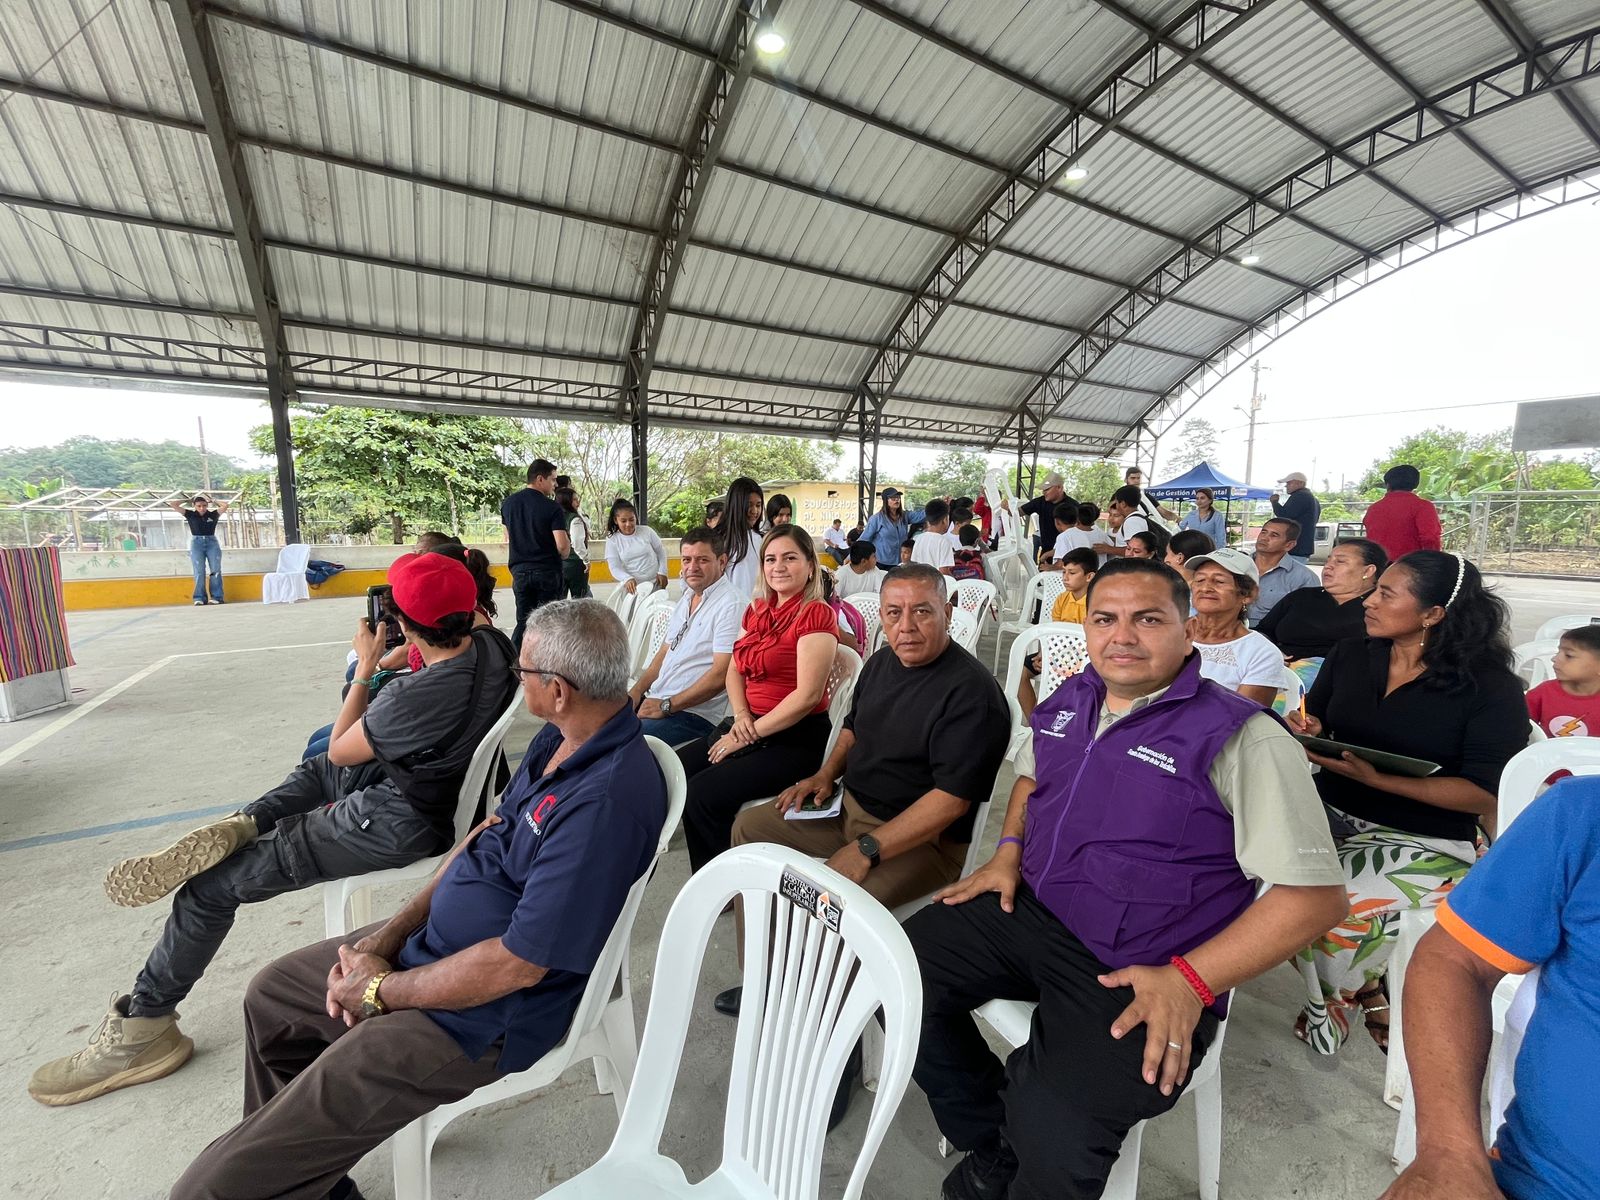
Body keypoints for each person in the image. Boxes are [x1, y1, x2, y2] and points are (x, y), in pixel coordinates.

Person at [149, 601, 668, 1199]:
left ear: (557, 690)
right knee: (273, 996)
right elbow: (482, 838)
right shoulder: (562, 735)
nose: (517, 678)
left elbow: (518, 965)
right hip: (428, 951)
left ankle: (263, 1176)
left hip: (480, 1016)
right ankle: (306, 1183)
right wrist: (385, 937)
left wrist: (379, 990)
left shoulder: (604, 803)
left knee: (207, 1190)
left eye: (524, 672)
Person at [909, 558, 1348, 1200]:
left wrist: (1192, 980)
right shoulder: (1073, 697)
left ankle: (1026, 1151)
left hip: (1150, 962)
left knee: (1057, 1123)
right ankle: (991, 1140)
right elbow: (1031, 778)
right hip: (1032, 908)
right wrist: (1007, 851)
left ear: (1188, 628)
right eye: (1105, 619)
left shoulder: (1242, 737)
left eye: (1148, 619)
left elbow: (1314, 898)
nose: (1122, 636)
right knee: (891, 973)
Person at [30, 554, 518, 1107]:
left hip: (389, 821)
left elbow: (343, 745)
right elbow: (346, 752)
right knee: (315, 772)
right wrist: (415, 641)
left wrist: (365, 667)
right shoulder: (494, 647)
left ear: (404, 623)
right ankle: (246, 824)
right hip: (428, 787)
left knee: (210, 888)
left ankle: (145, 1026)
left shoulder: (410, 698)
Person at [721, 564, 1009, 1018]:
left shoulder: (972, 693)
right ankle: (766, 978)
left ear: (948, 613)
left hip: (919, 842)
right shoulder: (881, 662)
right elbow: (853, 727)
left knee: (832, 904)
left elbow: (951, 801)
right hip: (846, 808)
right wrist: (825, 774)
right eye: (894, 613)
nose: (906, 626)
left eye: (922, 611)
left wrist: (867, 849)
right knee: (749, 829)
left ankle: (825, 1022)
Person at [1286, 551, 1528, 1054]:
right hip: (1329, 808)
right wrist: (1312, 728)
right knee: (1253, 879)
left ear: (1432, 613)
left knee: (1328, 908)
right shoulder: (1353, 654)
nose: (1368, 602)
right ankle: (1367, 983)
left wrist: (1380, 780)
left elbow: (1482, 791)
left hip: (1425, 833)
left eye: (1385, 594)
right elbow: (1322, 721)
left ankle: (1333, 1002)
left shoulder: (1489, 687)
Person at [1378, 774, 1600, 1200]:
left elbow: (1481, 794)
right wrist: (1449, 1154)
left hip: (1438, 846)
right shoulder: (1585, 811)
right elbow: (1454, 960)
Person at [679, 525, 839, 871]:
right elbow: (734, 669)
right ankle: (712, 877)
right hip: (749, 724)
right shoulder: (757, 610)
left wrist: (747, 734)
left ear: (810, 565)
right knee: (678, 772)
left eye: (789, 558)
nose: (778, 567)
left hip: (795, 737)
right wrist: (740, 718)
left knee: (703, 794)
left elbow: (807, 696)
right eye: (770, 559)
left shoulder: (816, 613)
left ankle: (724, 884)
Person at [629, 526, 744, 747]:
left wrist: (667, 706)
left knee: (622, 744)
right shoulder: (688, 598)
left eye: (702, 560)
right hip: (659, 699)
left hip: (693, 714)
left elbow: (721, 674)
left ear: (722, 561)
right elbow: (665, 651)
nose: (692, 567)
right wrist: (636, 692)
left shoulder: (731, 604)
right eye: (686, 560)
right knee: (590, 724)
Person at [1255, 537, 1387, 661]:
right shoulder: (1301, 596)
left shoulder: (1379, 606)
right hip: (1281, 667)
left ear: (1368, 571)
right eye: (1328, 560)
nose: (1328, 566)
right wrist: (1271, 652)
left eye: (1340, 561)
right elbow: (1263, 631)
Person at [1183, 548, 1283, 707]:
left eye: (1219, 581)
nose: (1205, 588)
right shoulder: (1171, 633)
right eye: (1200, 580)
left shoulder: (1262, 653)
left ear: (1248, 594)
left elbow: (1240, 715)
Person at [501, 459, 571, 650]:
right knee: (548, 624)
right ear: (540, 479)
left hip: (520, 572)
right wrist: (565, 554)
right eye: (553, 480)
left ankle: (515, 661)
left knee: (523, 622)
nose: (555, 484)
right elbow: (562, 545)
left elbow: (508, 537)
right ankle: (547, 663)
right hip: (547, 572)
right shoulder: (552, 507)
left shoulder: (508, 504)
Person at [1525, 624, 1600, 738]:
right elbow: (1520, 727)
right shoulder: (1543, 692)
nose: (1554, 659)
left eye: (1569, 656)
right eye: (1558, 652)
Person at [1361, 464, 1442, 561]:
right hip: (1409, 565)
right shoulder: (1423, 506)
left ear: (1388, 484)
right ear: (1415, 484)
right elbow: (1430, 538)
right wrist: (1434, 561)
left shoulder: (1373, 508)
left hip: (1378, 564)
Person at [1248, 517, 1320, 624]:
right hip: (1228, 629)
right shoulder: (1236, 565)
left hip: (1273, 633)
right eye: (1263, 532)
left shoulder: (1304, 578)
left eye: (1274, 535)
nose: (1264, 538)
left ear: (1289, 545)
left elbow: (1307, 618)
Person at [169, 494, 230, 606]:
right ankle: (199, 597)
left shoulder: (213, 514)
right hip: (196, 543)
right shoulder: (190, 514)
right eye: (199, 506)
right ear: (194, 506)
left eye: (204, 505)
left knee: (215, 570)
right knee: (199, 571)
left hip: (212, 542)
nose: (202, 508)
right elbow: (173, 504)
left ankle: (217, 597)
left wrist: (213, 500)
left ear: (207, 505)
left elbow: (225, 505)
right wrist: (187, 500)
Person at [603, 499, 668, 594]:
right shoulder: (613, 540)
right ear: (616, 520)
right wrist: (627, 578)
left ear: (635, 517)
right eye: (623, 521)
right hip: (634, 589)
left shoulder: (647, 531)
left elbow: (660, 552)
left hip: (656, 583)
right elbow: (614, 567)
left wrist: (662, 571)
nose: (628, 524)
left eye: (631, 519)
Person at [720, 476, 766, 597]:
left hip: (757, 606)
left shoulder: (762, 539)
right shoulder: (717, 540)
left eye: (758, 505)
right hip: (728, 606)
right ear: (735, 505)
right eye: (749, 505)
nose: (754, 511)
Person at [1018, 472, 1074, 565]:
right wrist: (1008, 507)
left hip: (1067, 553)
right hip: (1046, 553)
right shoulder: (1040, 502)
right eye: (1043, 490)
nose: (1044, 492)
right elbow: (1018, 512)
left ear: (1059, 487)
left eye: (1047, 489)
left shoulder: (1074, 506)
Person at [1270, 471, 1321, 558]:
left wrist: (1274, 502)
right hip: (1303, 546)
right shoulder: (1313, 499)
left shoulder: (1300, 496)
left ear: (1300, 483)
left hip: (1296, 547)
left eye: (1289, 483)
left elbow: (1284, 515)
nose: (1286, 486)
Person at [1092, 486, 1150, 560]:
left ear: (1123, 504)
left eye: (1116, 503)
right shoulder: (1137, 519)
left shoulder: (1132, 521)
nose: (1116, 506)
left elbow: (1134, 551)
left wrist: (1108, 549)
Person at [555, 486, 592, 599]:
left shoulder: (555, 518)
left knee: (558, 601)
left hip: (558, 564)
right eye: (575, 500)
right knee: (579, 600)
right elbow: (577, 542)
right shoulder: (575, 519)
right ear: (567, 502)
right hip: (575, 563)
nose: (578, 502)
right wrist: (585, 560)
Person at [862, 486, 910, 572]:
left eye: (898, 497)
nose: (897, 500)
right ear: (885, 501)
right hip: (881, 564)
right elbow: (864, 539)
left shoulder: (905, 516)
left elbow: (923, 515)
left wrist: (937, 506)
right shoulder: (876, 519)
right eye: (893, 498)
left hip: (899, 562)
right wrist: (851, 557)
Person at [912, 498, 956, 575]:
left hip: (920, 579)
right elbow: (943, 571)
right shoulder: (944, 541)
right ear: (945, 519)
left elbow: (914, 564)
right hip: (936, 581)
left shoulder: (919, 538)